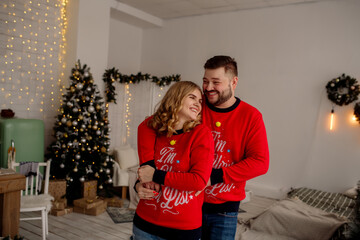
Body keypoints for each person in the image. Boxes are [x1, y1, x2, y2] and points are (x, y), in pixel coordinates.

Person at [137, 55, 269, 240]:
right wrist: (148, 168)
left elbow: (260, 162)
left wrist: (213, 177)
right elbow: (150, 125)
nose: (208, 88)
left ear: (234, 81)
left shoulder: (251, 116)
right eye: (205, 81)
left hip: (223, 209)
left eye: (216, 82)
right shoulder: (195, 106)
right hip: (183, 204)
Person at [132, 81, 214, 240]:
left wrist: (156, 175)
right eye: (192, 97)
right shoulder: (153, 130)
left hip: (182, 230)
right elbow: (146, 173)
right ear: (176, 98)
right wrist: (138, 186)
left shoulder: (201, 134)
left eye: (200, 101)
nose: (198, 104)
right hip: (145, 224)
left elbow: (198, 181)